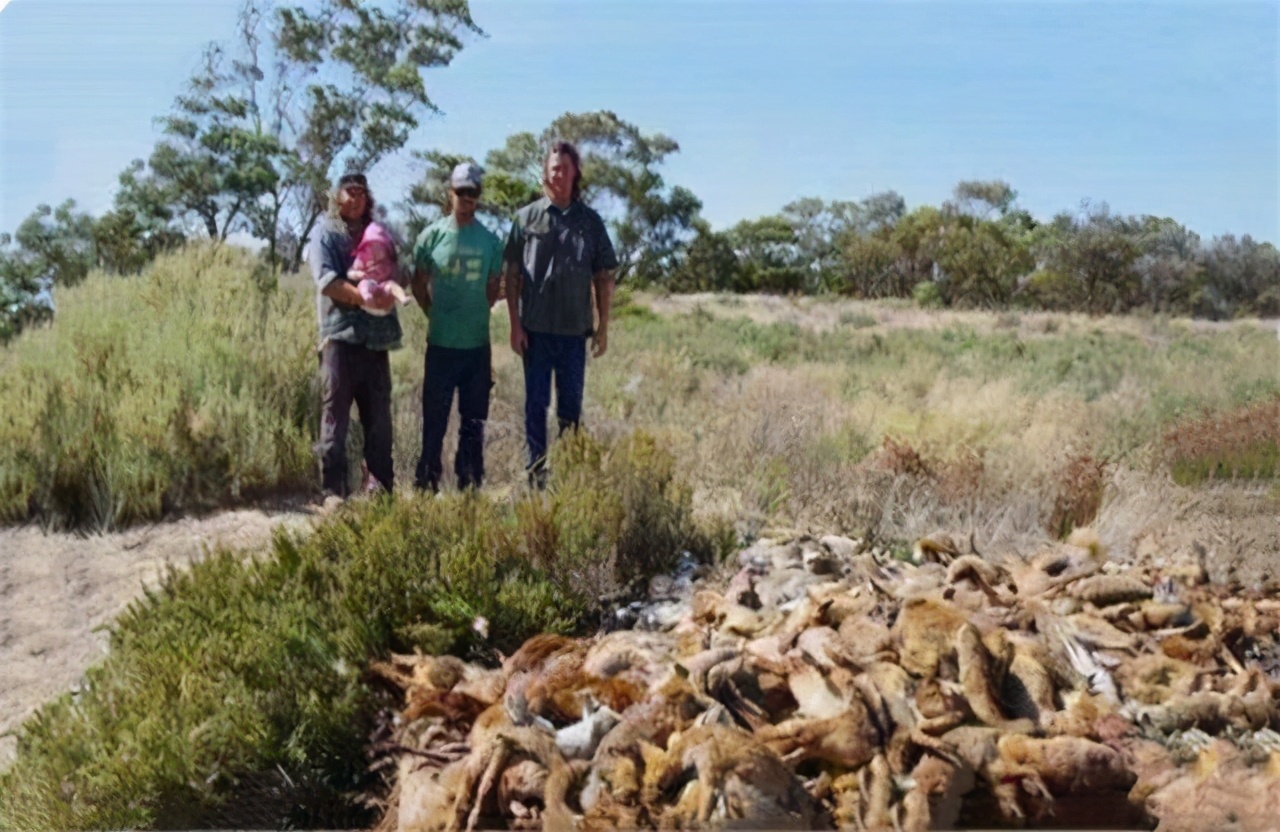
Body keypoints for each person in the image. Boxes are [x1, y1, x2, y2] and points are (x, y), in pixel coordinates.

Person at [503, 141, 619, 488]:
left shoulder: (590, 222)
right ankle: (536, 472)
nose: (559, 174)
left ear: (574, 173)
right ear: (545, 172)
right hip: (535, 332)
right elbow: (512, 276)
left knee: (570, 408)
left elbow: (604, 276)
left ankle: (569, 476)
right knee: (536, 405)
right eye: (554, 168)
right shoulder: (525, 219)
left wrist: (603, 327)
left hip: (573, 333)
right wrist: (514, 326)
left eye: (565, 168)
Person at [410, 162, 505, 492]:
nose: (467, 198)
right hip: (440, 346)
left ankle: (469, 488)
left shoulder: (491, 242)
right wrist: (433, 313)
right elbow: (418, 283)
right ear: (450, 192)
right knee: (434, 422)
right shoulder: (431, 237)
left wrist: (474, 312)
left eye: (473, 192)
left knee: (473, 423)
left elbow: (493, 289)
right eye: (461, 191)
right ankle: (426, 485)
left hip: (476, 348)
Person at [308, 172, 402, 499]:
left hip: (375, 341)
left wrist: (390, 290)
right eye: (350, 192)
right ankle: (333, 492)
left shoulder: (376, 233)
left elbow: (395, 271)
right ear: (337, 196)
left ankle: (381, 491)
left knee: (379, 421)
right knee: (335, 419)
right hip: (339, 339)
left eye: (361, 193)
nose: (356, 198)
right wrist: (364, 298)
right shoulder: (325, 233)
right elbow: (328, 283)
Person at [350, 221, 410, 315]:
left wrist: (395, 275)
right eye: (372, 245)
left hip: (384, 284)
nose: (376, 248)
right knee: (364, 285)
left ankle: (403, 298)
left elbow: (396, 271)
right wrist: (357, 274)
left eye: (380, 246)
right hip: (370, 281)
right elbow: (351, 270)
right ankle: (368, 298)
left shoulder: (388, 260)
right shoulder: (363, 257)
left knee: (392, 285)